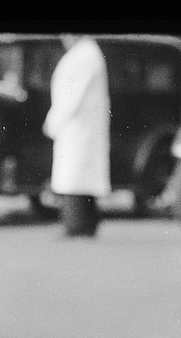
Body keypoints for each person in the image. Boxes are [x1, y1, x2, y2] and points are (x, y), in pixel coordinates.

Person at [43, 35, 110, 237]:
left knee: (75, 177)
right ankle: (84, 224)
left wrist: (54, 121)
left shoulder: (84, 55)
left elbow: (70, 96)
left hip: (78, 127)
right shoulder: (86, 53)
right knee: (80, 178)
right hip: (80, 127)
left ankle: (76, 225)